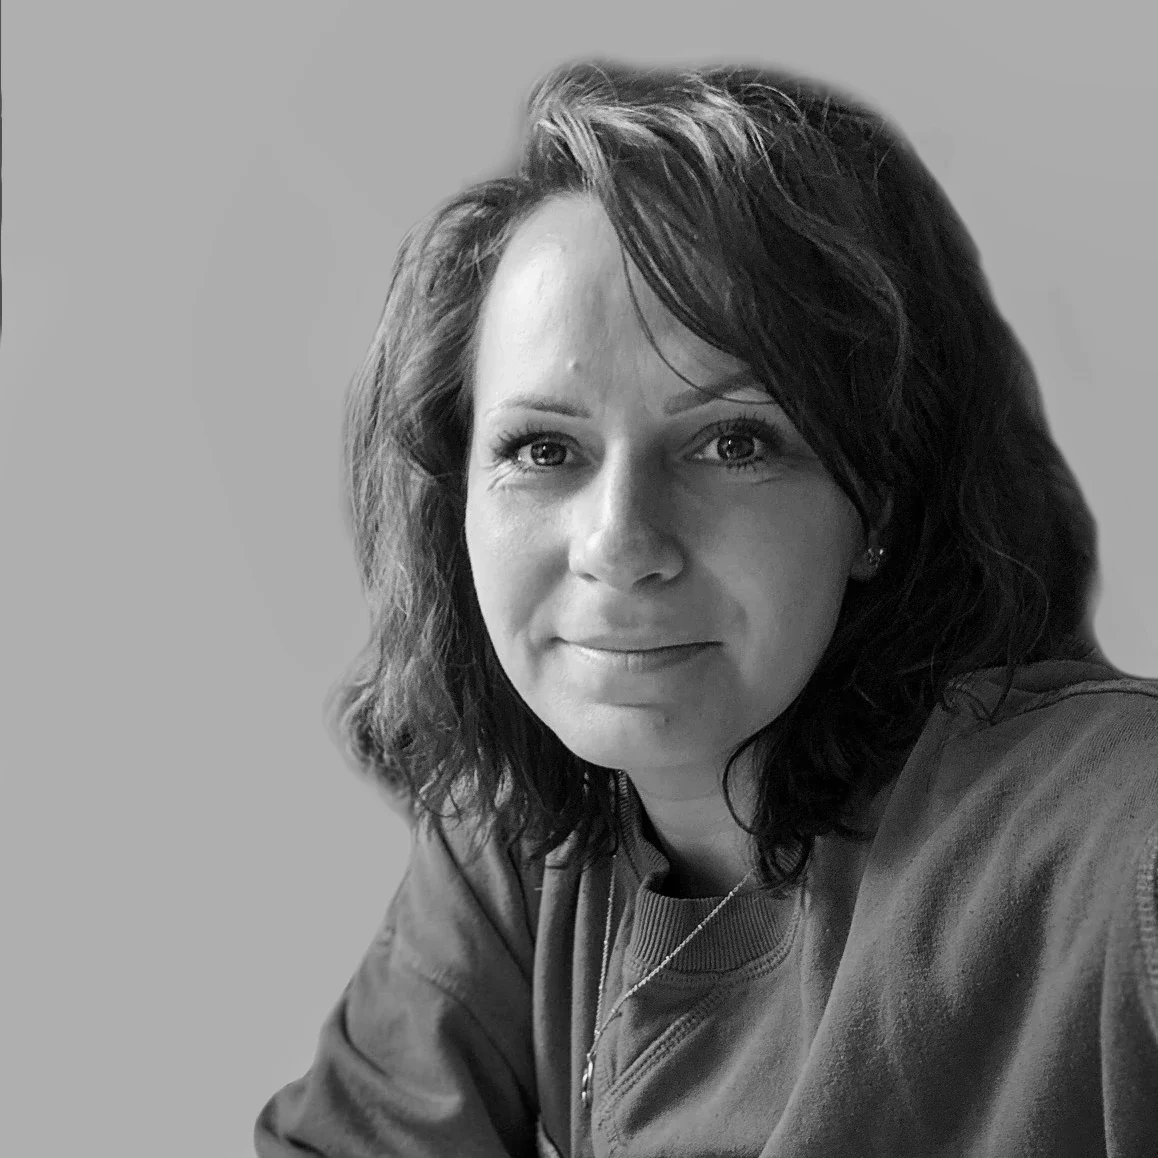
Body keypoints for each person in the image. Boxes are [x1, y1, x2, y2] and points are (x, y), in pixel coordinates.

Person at [254, 61, 1158, 1157]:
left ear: (875, 498)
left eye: (734, 442)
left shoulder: (1108, 828)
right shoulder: (518, 833)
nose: (621, 545)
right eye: (544, 449)